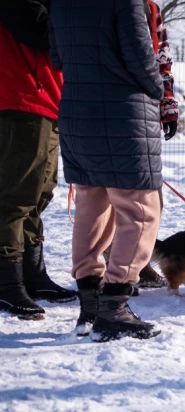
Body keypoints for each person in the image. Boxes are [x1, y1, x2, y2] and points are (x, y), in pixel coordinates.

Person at [49, 0, 166, 341]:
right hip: (123, 114)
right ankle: (115, 306)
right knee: (141, 209)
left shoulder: (61, 5)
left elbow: (57, 58)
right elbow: (141, 59)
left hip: (75, 111)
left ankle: (91, 303)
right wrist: (157, 91)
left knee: (91, 204)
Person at [0, 0, 77, 321]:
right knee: (16, 196)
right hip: (21, 98)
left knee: (39, 194)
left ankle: (32, 276)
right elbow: (38, 30)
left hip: (46, 100)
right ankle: (8, 282)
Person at [103, 0, 179, 289]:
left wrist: (167, 105)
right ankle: (112, 266)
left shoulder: (151, 8)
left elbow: (163, 60)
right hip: (109, 109)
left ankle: (138, 261)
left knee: (150, 199)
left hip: (144, 115)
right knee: (109, 196)